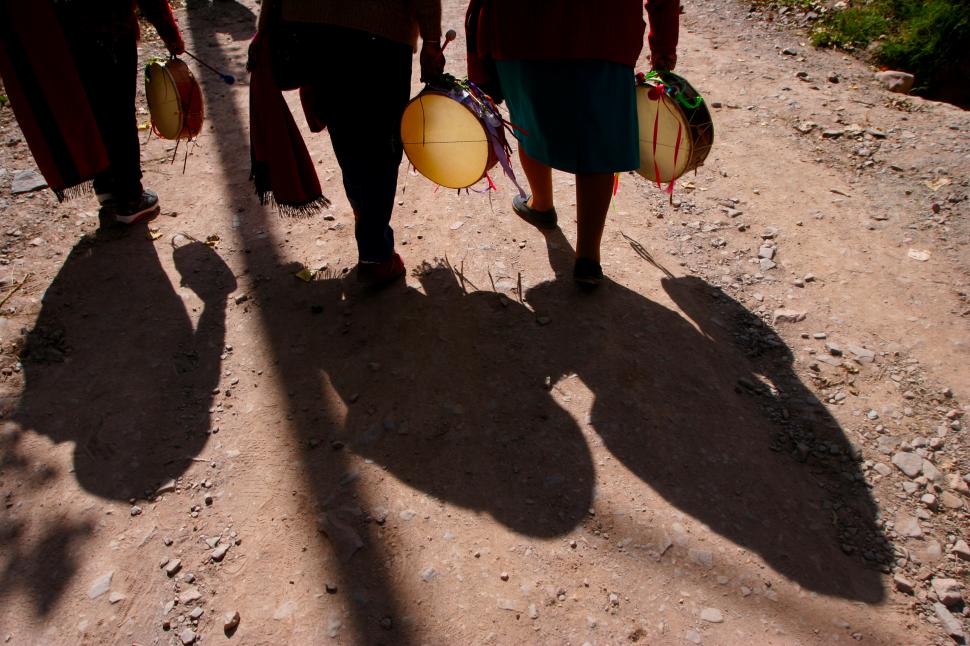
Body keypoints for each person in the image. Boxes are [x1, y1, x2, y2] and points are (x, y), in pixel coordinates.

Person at [466, 0, 680, 287]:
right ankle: (588, 257)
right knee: (597, 135)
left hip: (521, 26)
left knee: (530, 118)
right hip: (603, 27)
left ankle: (541, 204)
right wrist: (664, 44)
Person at [251, 0, 444, 287]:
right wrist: (430, 39)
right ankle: (376, 256)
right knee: (382, 145)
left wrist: (265, 26)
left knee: (345, 130)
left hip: (315, 28)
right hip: (380, 29)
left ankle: (364, 216)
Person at [0, 0, 185, 224]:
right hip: (109, 25)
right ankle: (130, 199)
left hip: (62, 32)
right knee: (119, 112)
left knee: (93, 108)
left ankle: (107, 186)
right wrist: (170, 34)